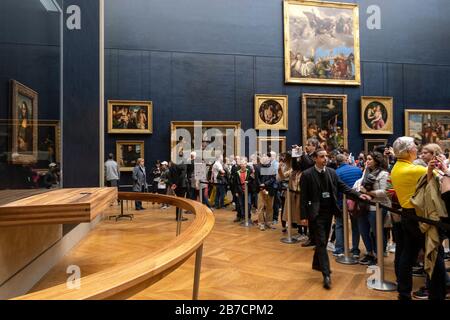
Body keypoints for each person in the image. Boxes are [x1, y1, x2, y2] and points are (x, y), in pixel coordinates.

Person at [300, 148, 371, 289]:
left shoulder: (332, 173)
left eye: (326, 156)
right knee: (321, 242)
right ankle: (326, 274)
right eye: (321, 156)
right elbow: (304, 197)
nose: (325, 159)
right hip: (316, 213)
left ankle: (316, 264)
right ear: (315, 158)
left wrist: (357, 195)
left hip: (329, 212)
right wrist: (303, 216)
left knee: (323, 240)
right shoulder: (307, 175)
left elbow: (343, 187)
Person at [390, 137, 446, 300]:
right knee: (434, 253)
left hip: (407, 216)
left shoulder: (396, 168)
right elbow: (442, 178)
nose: (417, 149)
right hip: (421, 217)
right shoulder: (414, 170)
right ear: (408, 152)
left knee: (408, 254)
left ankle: (404, 292)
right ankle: (438, 294)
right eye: (415, 147)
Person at [357, 152, 390, 265]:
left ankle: (378, 254)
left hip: (377, 206)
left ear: (377, 160)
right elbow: (360, 185)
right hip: (364, 205)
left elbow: (385, 192)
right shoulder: (366, 171)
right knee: (363, 230)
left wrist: (368, 192)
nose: (367, 161)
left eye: (370, 159)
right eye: (367, 159)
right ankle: (369, 252)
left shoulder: (383, 174)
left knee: (377, 232)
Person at [334, 154, 363, 258]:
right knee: (356, 226)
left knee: (339, 225)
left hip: (341, 202)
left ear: (337, 162)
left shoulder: (336, 172)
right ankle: (355, 250)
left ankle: (339, 250)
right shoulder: (358, 170)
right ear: (346, 160)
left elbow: (336, 190)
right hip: (355, 202)